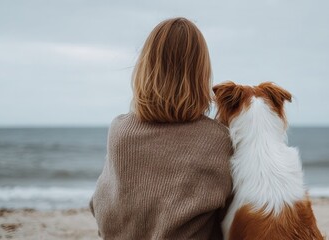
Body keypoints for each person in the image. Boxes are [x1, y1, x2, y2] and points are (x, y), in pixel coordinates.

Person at [89, 17, 233, 239]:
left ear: (146, 67)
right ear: (200, 73)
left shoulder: (120, 130)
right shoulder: (219, 139)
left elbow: (100, 207)